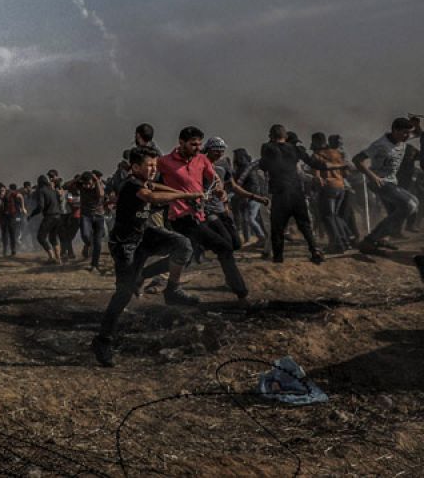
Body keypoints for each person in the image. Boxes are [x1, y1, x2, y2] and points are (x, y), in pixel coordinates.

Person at [92, 148, 202, 366]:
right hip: (126, 245)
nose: (153, 170)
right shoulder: (132, 184)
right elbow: (150, 195)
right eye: (149, 166)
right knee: (123, 294)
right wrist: (185, 195)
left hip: (144, 235)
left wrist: (177, 189)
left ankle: (171, 289)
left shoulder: (144, 181)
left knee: (184, 246)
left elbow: (155, 187)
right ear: (134, 167)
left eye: (155, 166)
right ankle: (102, 341)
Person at [159, 127, 250, 300]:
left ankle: (144, 276)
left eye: (199, 144)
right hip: (180, 216)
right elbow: (150, 182)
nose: (197, 148)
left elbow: (214, 179)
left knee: (184, 255)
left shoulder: (201, 159)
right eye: (193, 144)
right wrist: (172, 195)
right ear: (181, 142)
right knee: (223, 247)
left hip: (198, 215)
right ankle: (241, 292)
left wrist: (219, 190)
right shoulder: (164, 162)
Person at [354, 116, 423, 255]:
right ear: (394, 130)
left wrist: (417, 124)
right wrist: (372, 176)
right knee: (410, 204)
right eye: (404, 132)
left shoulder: (401, 138)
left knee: (396, 212)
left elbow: (418, 133)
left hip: (391, 182)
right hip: (380, 182)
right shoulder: (380, 144)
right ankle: (370, 240)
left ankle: (381, 239)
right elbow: (357, 159)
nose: (407, 136)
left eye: (408, 133)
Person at [260, 124, 328, 264]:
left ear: (271, 136)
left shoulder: (267, 148)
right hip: (296, 192)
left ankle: (278, 258)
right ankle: (314, 249)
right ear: (285, 136)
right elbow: (313, 163)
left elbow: (263, 166)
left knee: (277, 228)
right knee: (304, 224)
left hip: (280, 193)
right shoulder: (296, 149)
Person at [311, 133, 354, 254]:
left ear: (316, 142)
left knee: (328, 216)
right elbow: (347, 173)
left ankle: (336, 245)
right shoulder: (336, 153)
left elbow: (316, 176)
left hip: (328, 187)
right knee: (335, 215)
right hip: (341, 187)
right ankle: (345, 240)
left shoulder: (316, 155)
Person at [71, 171, 108, 272]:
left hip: (99, 216)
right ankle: (88, 244)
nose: (87, 186)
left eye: (89, 183)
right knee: (85, 235)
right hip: (86, 215)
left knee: (98, 242)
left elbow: (101, 195)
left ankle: (94, 265)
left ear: (93, 181)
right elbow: (67, 186)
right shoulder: (81, 186)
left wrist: (96, 181)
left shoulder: (98, 186)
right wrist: (78, 179)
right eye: (85, 184)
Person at [33, 175, 64, 263]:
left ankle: (51, 257)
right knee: (53, 238)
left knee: (41, 237)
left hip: (50, 216)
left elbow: (41, 206)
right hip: (58, 216)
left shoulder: (41, 191)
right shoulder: (53, 191)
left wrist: (33, 214)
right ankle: (58, 259)